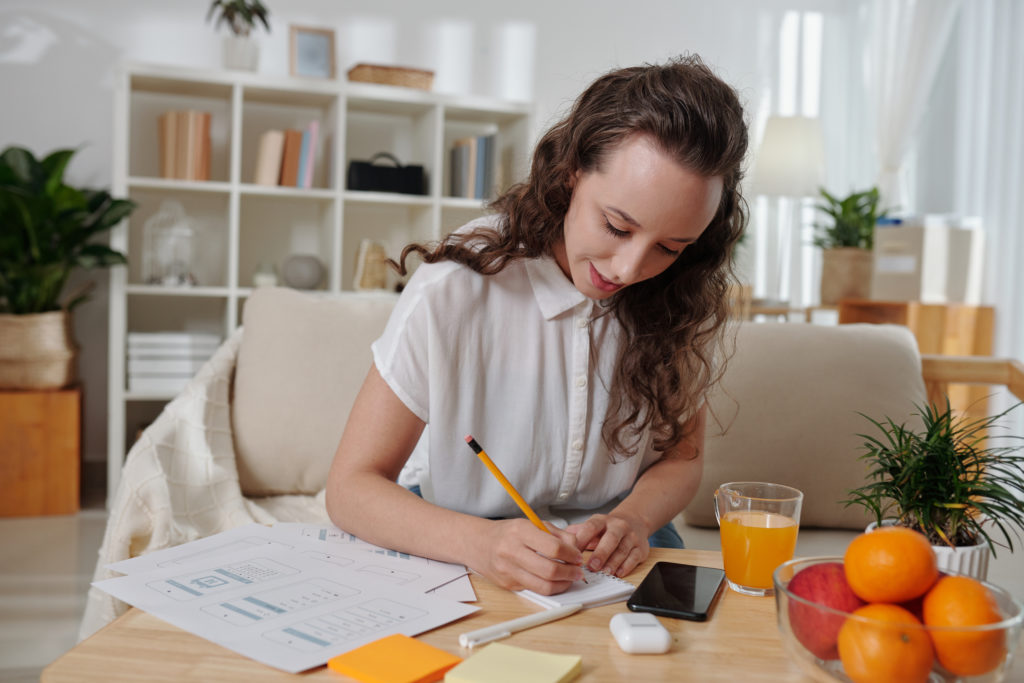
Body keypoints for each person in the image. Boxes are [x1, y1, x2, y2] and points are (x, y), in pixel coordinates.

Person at [326, 54, 748, 597]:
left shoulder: (679, 296)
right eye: (616, 226)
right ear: (572, 171)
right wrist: (481, 544)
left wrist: (636, 519)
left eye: (670, 247)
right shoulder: (455, 289)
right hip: (471, 540)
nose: (629, 269)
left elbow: (683, 459)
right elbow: (350, 488)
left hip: (621, 547)